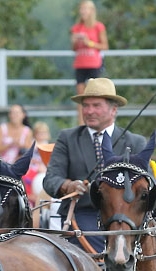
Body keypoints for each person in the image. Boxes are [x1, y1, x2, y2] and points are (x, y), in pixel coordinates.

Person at [43, 77, 147, 252]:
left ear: (113, 110)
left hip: (125, 219)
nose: (89, 111)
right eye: (86, 105)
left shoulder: (135, 142)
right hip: (80, 215)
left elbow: (148, 186)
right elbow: (51, 179)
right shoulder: (67, 138)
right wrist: (68, 185)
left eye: (96, 105)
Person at [70, 1, 108, 125]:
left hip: (94, 64)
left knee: (96, 95)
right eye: (81, 9)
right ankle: (82, 123)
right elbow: (74, 48)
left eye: (85, 9)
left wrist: (89, 43)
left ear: (92, 11)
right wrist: (75, 40)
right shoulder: (76, 27)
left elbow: (104, 46)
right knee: (81, 96)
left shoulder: (98, 27)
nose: (82, 11)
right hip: (80, 64)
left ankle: (98, 121)